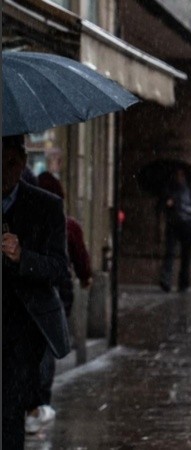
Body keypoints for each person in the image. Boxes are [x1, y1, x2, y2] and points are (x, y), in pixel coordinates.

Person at [2, 135, 71, 449]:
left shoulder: (46, 207)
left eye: (10, 163)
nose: (3, 171)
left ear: (22, 162)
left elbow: (58, 268)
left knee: (9, 418)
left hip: (20, 335)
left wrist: (22, 257)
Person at [24, 172, 93, 434]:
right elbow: (78, 260)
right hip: (53, 297)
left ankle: (33, 406)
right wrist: (85, 278)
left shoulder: (39, 222)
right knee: (44, 348)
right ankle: (36, 405)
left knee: (36, 348)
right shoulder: (66, 225)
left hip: (44, 295)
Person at [158, 167, 191, 292]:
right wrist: (168, 203)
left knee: (186, 255)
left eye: (182, 174)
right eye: (177, 174)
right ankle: (166, 280)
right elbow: (162, 205)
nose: (179, 177)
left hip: (187, 225)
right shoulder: (170, 188)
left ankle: (184, 283)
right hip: (173, 224)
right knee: (170, 252)